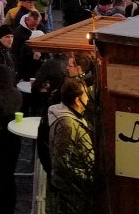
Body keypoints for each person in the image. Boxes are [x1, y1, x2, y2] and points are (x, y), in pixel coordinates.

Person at [47, 78, 95, 214]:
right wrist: (88, 175)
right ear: (77, 100)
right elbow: (61, 162)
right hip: (70, 189)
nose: (88, 99)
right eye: (86, 95)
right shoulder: (68, 124)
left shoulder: (72, 118)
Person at [0, 66, 23, 214]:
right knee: (9, 172)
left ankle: (0, 204)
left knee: (1, 173)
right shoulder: (16, 93)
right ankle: (10, 203)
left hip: (1, 138)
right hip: (14, 138)